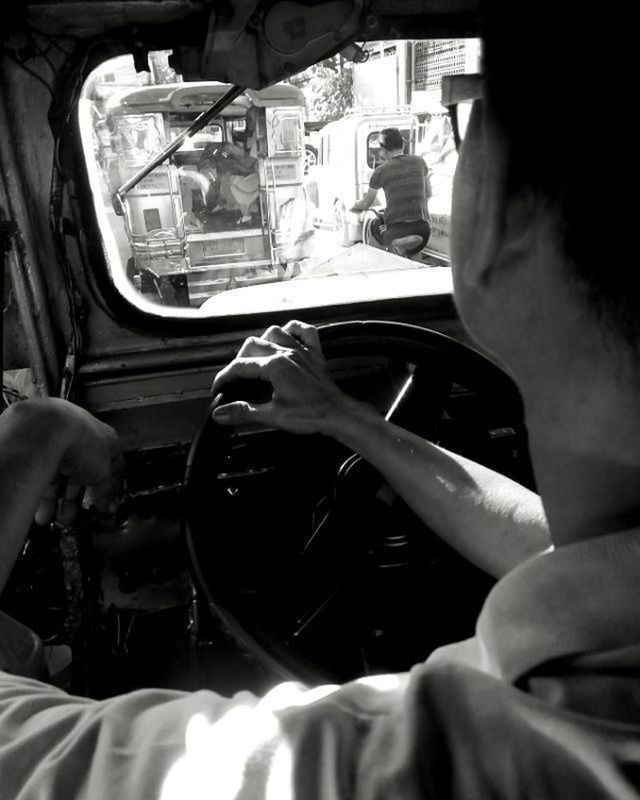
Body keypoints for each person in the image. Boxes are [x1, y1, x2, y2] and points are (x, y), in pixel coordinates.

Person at [2, 2, 640, 798]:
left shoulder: (366, 772)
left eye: (475, 126)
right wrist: (347, 419)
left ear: (497, 220)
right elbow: (558, 553)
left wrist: (35, 429)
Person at [351, 126, 432, 257]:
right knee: (414, 250)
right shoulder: (420, 162)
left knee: (374, 224)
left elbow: (366, 204)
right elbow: (428, 193)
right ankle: (409, 250)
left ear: (382, 151)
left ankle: (385, 258)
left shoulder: (380, 171)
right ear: (403, 144)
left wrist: (355, 205)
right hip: (423, 230)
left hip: (397, 230)